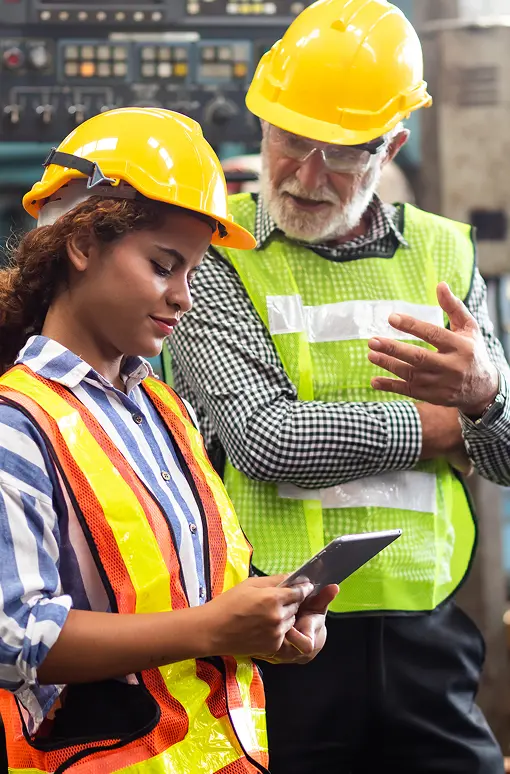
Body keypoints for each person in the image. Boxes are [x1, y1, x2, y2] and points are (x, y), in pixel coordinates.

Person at [169, 1, 510, 772]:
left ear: (390, 145)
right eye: (292, 141)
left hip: (429, 628)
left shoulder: (444, 254)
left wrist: (488, 395)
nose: (307, 176)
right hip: (275, 631)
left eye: (344, 152)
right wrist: (448, 424)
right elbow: (267, 440)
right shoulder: (218, 253)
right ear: (263, 125)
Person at [0, 107, 337, 774]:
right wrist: (212, 629)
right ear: (83, 244)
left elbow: (182, 590)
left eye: (192, 272)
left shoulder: (163, 407)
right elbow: (15, 637)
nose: (183, 297)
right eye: (163, 265)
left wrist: (264, 623)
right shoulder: (17, 422)